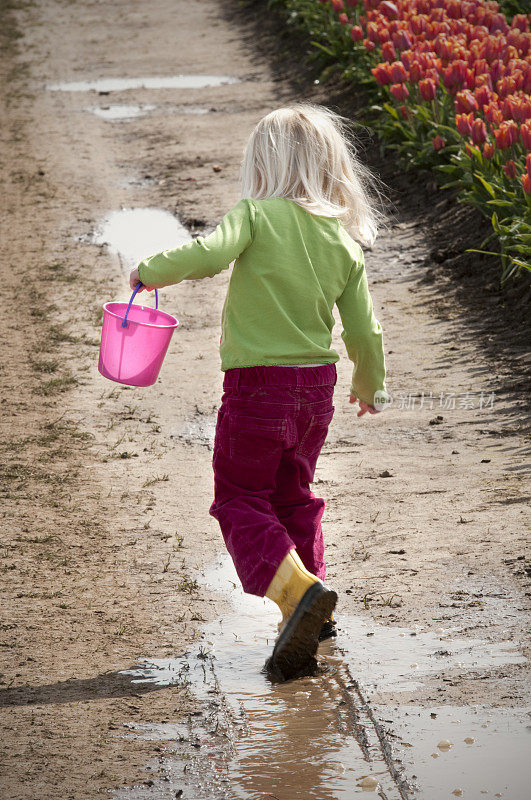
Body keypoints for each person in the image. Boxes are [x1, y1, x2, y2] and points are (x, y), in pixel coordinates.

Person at [129, 103, 390, 681]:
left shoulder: (255, 215)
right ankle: (309, 613)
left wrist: (150, 270)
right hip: (316, 388)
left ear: (263, 165)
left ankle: (296, 592)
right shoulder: (342, 241)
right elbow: (365, 327)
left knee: (240, 498)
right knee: (293, 495)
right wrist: (370, 384)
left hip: (258, 386)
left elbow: (207, 254)